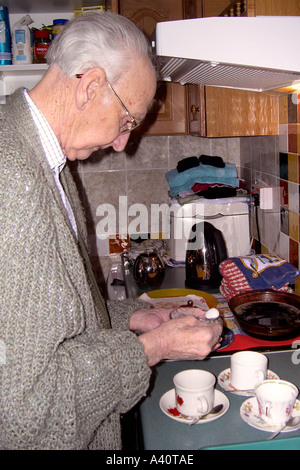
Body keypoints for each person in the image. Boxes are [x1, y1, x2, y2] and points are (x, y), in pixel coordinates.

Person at [0, 12, 222, 450]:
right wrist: (150, 348)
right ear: (91, 86)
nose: (123, 142)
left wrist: (138, 319)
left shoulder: (49, 163)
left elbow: (58, 322)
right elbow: (28, 413)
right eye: (127, 120)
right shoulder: (13, 180)